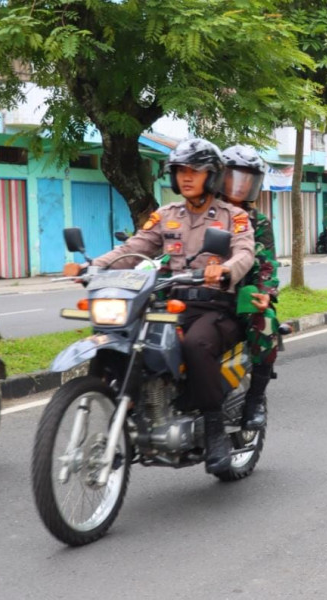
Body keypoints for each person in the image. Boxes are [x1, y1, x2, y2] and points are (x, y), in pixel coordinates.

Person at [64, 138, 255, 474]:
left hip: (214, 306)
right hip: (169, 302)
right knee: (134, 341)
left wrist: (224, 270)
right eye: (180, 171)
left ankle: (215, 431)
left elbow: (244, 253)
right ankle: (137, 414)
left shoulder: (233, 216)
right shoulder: (166, 215)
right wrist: (95, 267)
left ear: (211, 175)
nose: (186, 177)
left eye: (194, 171)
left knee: (196, 344)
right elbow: (134, 249)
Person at [220, 144, 278, 430]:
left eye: (247, 180)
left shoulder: (259, 221)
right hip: (203, 291)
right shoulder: (207, 212)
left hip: (244, 293)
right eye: (233, 178)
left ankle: (255, 399)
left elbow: (267, 264)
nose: (239, 186)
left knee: (265, 325)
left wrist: (265, 294)